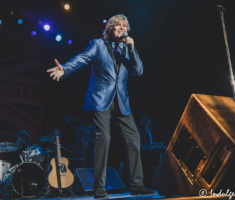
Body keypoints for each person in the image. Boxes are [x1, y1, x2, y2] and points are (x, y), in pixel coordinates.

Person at [47, 15, 155, 198]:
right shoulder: (97, 44)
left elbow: (138, 71)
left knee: (134, 139)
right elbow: (82, 59)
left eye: (125, 26)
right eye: (119, 26)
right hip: (100, 98)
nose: (122, 29)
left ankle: (137, 185)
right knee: (103, 138)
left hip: (121, 100)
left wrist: (132, 48)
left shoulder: (126, 48)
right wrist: (64, 69)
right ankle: (99, 188)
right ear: (110, 28)